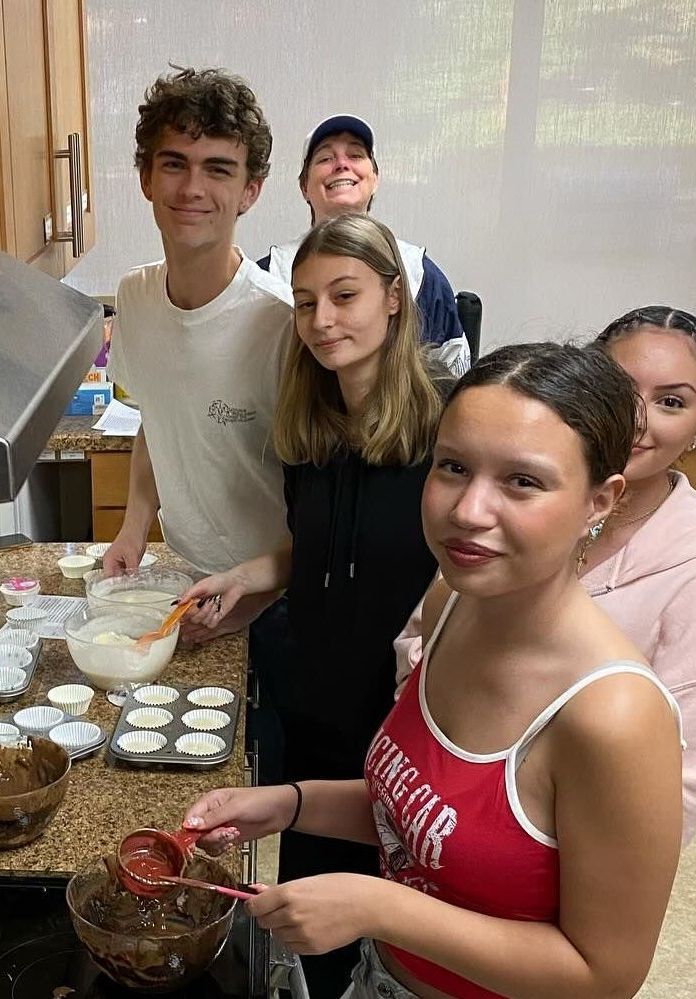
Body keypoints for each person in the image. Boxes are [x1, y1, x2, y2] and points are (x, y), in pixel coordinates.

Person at [184, 343, 684, 999]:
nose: (467, 509)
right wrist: (287, 803)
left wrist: (378, 907)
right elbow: (426, 821)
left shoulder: (609, 716)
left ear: (599, 499)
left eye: (522, 481)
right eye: (452, 466)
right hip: (383, 976)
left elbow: (603, 974)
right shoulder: (451, 602)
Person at [182, 212, 444, 995]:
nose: (322, 321)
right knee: (309, 917)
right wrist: (249, 575)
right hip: (315, 702)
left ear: (393, 298)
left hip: (399, 716)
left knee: (386, 919)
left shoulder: (447, 428)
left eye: (344, 295)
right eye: (304, 303)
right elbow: (323, 550)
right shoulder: (312, 420)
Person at [396, 307, 696, 845]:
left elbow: (684, 782)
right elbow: (425, 640)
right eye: (620, 388)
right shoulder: (509, 515)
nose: (637, 419)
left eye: (671, 402)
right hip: (435, 822)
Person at [102, 67, 293, 639]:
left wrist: (256, 598)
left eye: (218, 169)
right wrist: (136, 525)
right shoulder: (134, 297)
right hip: (189, 579)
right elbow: (155, 421)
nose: (191, 189)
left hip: (275, 596)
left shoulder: (282, 323)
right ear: (146, 179)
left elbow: (332, 508)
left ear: (249, 192)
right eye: (174, 164)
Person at [258, 114, 470, 374]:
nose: (341, 165)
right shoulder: (269, 275)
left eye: (356, 155)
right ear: (304, 187)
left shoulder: (420, 274)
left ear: (375, 179)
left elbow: (455, 378)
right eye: (325, 158)